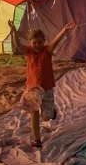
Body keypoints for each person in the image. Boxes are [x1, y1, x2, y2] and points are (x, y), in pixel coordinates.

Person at [9, 19, 76, 147]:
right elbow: (18, 44)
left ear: (44, 42)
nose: (38, 45)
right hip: (32, 89)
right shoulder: (28, 52)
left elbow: (55, 41)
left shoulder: (47, 50)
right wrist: (13, 32)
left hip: (46, 89)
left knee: (45, 118)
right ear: (30, 43)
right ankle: (37, 140)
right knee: (33, 114)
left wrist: (65, 30)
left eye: (40, 42)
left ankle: (51, 112)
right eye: (35, 43)